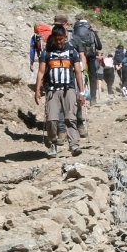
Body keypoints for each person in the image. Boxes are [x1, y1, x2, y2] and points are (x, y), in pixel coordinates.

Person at [34, 24, 86, 157]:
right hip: (52, 90)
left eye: (61, 39)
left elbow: (78, 73)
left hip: (68, 89)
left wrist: (81, 92)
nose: (59, 42)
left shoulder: (72, 52)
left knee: (70, 118)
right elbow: (41, 72)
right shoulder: (47, 53)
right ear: (52, 38)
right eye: (56, 39)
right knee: (51, 119)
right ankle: (52, 143)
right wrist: (37, 90)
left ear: (65, 37)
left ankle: (74, 145)